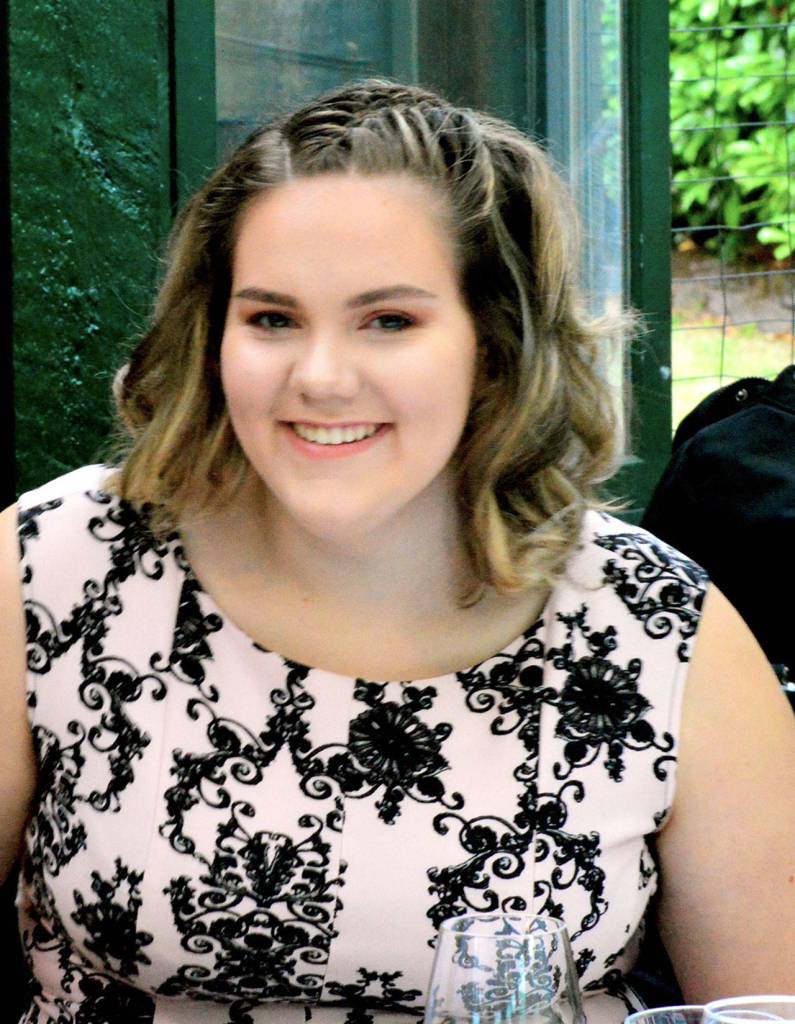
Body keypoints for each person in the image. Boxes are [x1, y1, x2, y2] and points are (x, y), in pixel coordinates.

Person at [0, 78, 793, 1024]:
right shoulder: (57, 568)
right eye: (271, 318)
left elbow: (767, 1006)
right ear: (211, 336)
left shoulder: (655, 626)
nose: (320, 376)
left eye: (388, 321)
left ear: (494, 344)